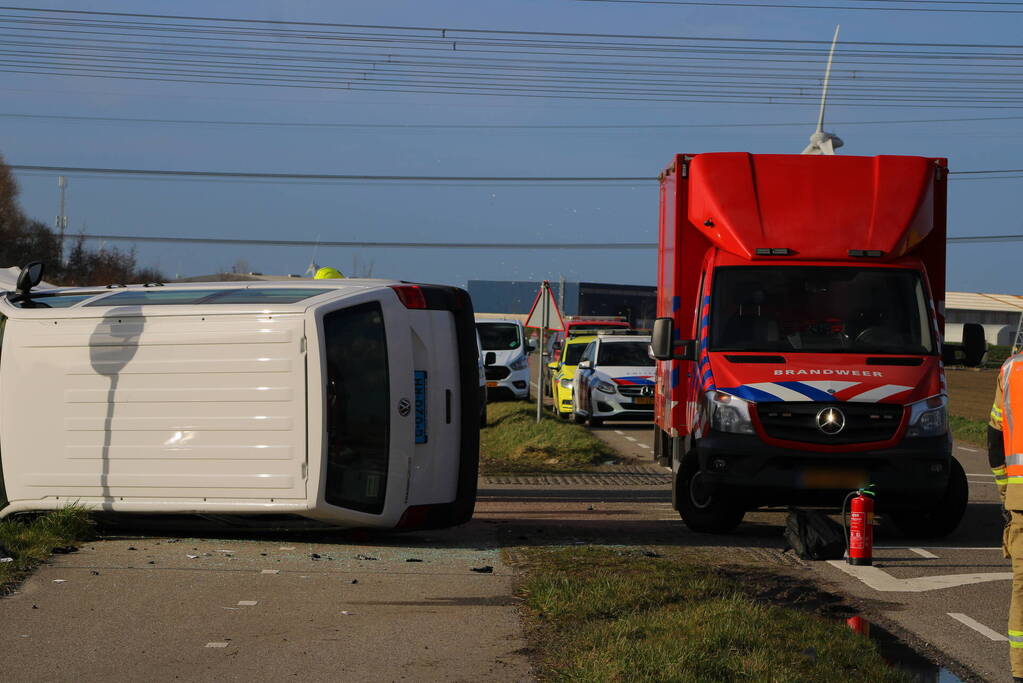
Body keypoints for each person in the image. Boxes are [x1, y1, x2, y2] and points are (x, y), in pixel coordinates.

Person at [989, 356, 1023, 682]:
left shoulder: (1012, 369)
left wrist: (1004, 490)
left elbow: (994, 436)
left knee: (1022, 591)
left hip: (1021, 499)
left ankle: (1020, 671)